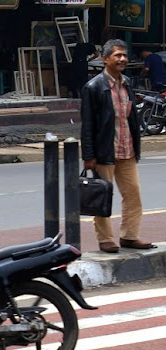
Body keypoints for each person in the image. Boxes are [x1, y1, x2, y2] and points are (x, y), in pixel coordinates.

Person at [81, 39, 155, 254]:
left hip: (127, 150)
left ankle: (130, 236)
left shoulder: (127, 83)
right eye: (117, 55)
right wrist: (88, 155)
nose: (122, 59)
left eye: (124, 55)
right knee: (102, 195)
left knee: (133, 195)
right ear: (105, 59)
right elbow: (88, 125)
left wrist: (137, 148)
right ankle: (105, 239)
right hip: (105, 152)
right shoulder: (93, 87)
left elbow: (131, 119)